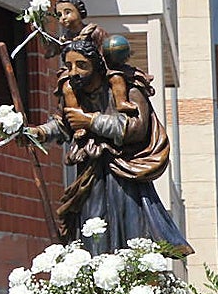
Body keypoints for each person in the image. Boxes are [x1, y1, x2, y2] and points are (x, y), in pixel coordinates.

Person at [28, 39, 192, 256]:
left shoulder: (128, 89)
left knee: (131, 229)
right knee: (92, 229)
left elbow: (136, 127)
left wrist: (91, 121)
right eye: (69, 66)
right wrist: (40, 132)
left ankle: (133, 271)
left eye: (81, 65)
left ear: (96, 65)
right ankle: (96, 271)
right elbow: (64, 124)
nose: (74, 72)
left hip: (124, 173)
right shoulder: (74, 92)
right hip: (91, 174)